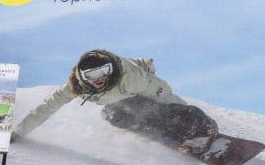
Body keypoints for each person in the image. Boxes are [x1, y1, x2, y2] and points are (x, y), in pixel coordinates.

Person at [12, 48, 218, 150]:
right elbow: (46, 108)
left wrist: (182, 113)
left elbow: (163, 93)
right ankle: (159, 133)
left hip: (144, 89)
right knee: (114, 115)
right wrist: (20, 132)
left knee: (157, 110)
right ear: (82, 78)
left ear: (110, 68)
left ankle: (201, 126)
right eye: (92, 76)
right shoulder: (73, 88)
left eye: (103, 71)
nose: (100, 78)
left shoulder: (130, 78)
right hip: (119, 101)